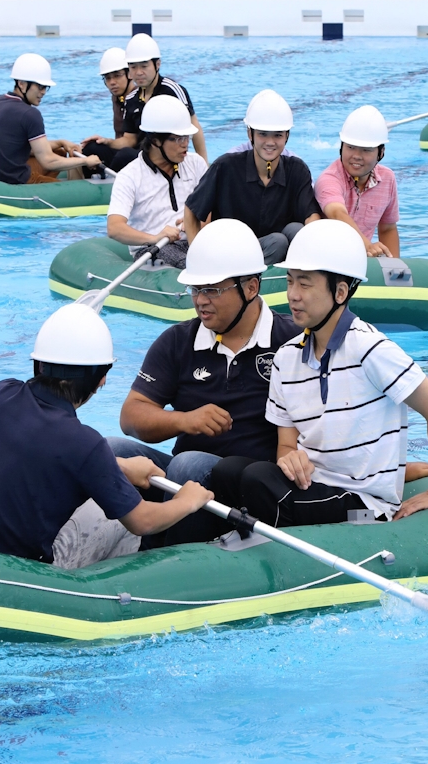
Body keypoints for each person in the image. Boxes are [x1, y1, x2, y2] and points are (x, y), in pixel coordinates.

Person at [209, 219, 428, 532]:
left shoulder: (370, 348)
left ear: (340, 291)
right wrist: (289, 459)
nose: (293, 295)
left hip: (365, 508)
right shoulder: (286, 358)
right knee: (227, 470)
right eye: (290, 281)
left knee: (258, 481)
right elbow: (286, 445)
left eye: (305, 283)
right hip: (314, 485)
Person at [0, 304, 213, 568]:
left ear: (38, 363)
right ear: (100, 379)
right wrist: (187, 501)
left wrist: (119, 465)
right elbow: (142, 520)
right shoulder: (84, 442)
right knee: (120, 511)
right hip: (22, 571)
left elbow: (41, 449)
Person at [106, 219, 300, 545]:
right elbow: (131, 417)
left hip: (253, 480)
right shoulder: (178, 341)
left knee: (189, 463)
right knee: (110, 449)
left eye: (212, 289)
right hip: (187, 478)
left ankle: (167, 561)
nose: (200, 301)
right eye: (195, 289)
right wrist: (185, 421)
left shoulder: (290, 341)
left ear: (251, 287)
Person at [184, 90, 321, 265]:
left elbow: (312, 217)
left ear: (287, 136)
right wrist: (197, 256)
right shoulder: (226, 166)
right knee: (277, 243)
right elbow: (191, 210)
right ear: (250, 134)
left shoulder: (297, 170)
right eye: (263, 134)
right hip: (231, 254)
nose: (270, 142)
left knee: (297, 231)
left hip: (274, 252)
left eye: (277, 135)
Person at [106, 95, 207, 269]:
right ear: (155, 140)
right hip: (153, 249)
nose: (185, 145)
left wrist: (195, 222)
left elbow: (214, 207)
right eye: (178, 139)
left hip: (194, 239)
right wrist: (155, 237)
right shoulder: (130, 176)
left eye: (187, 138)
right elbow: (114, 228)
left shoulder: (196, 163)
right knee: (192, 264)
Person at [0, 53, 101, 185]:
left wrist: (60, 142)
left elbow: (18, 147)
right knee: (69, 176)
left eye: (45, 87)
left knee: (59, 151)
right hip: (15, 181)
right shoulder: (29, 113)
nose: (43, 92)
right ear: (22, 84)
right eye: (40, 86)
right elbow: (48, 161)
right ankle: (76, 191)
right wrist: (86, 161)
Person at [111, 33, 208, 170]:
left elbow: (194, 128)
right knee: (96, 148)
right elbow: (130, 139)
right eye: (133, 67)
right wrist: (107, 142)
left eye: (144, 66)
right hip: (139, 157)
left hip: (166, 157)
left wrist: (204, 164)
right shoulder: (131, 98)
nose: (138, 72)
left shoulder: (172, 90)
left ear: (157, 64)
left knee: (125, 156)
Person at [314, 105, 400, 258]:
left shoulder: (387, 179)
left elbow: (387, 229)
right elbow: (337, 213)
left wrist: (395, 271)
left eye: (366, 150)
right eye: (351, 147)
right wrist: (367, 246)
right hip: (327, 257)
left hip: (363, 259)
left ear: (381, 153)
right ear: (341, 147)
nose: (356, 156)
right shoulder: (329, 178)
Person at [80, 47, 137, 171]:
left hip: (139, 157)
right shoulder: (116, 98)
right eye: (108, 78)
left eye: (117, 76)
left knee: (125, 154)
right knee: (91, 147)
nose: (112, 82)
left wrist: (107, 141)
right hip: (121, 150)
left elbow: (131, 142)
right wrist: (103, 141)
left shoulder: (139, 99)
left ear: (130, 74)